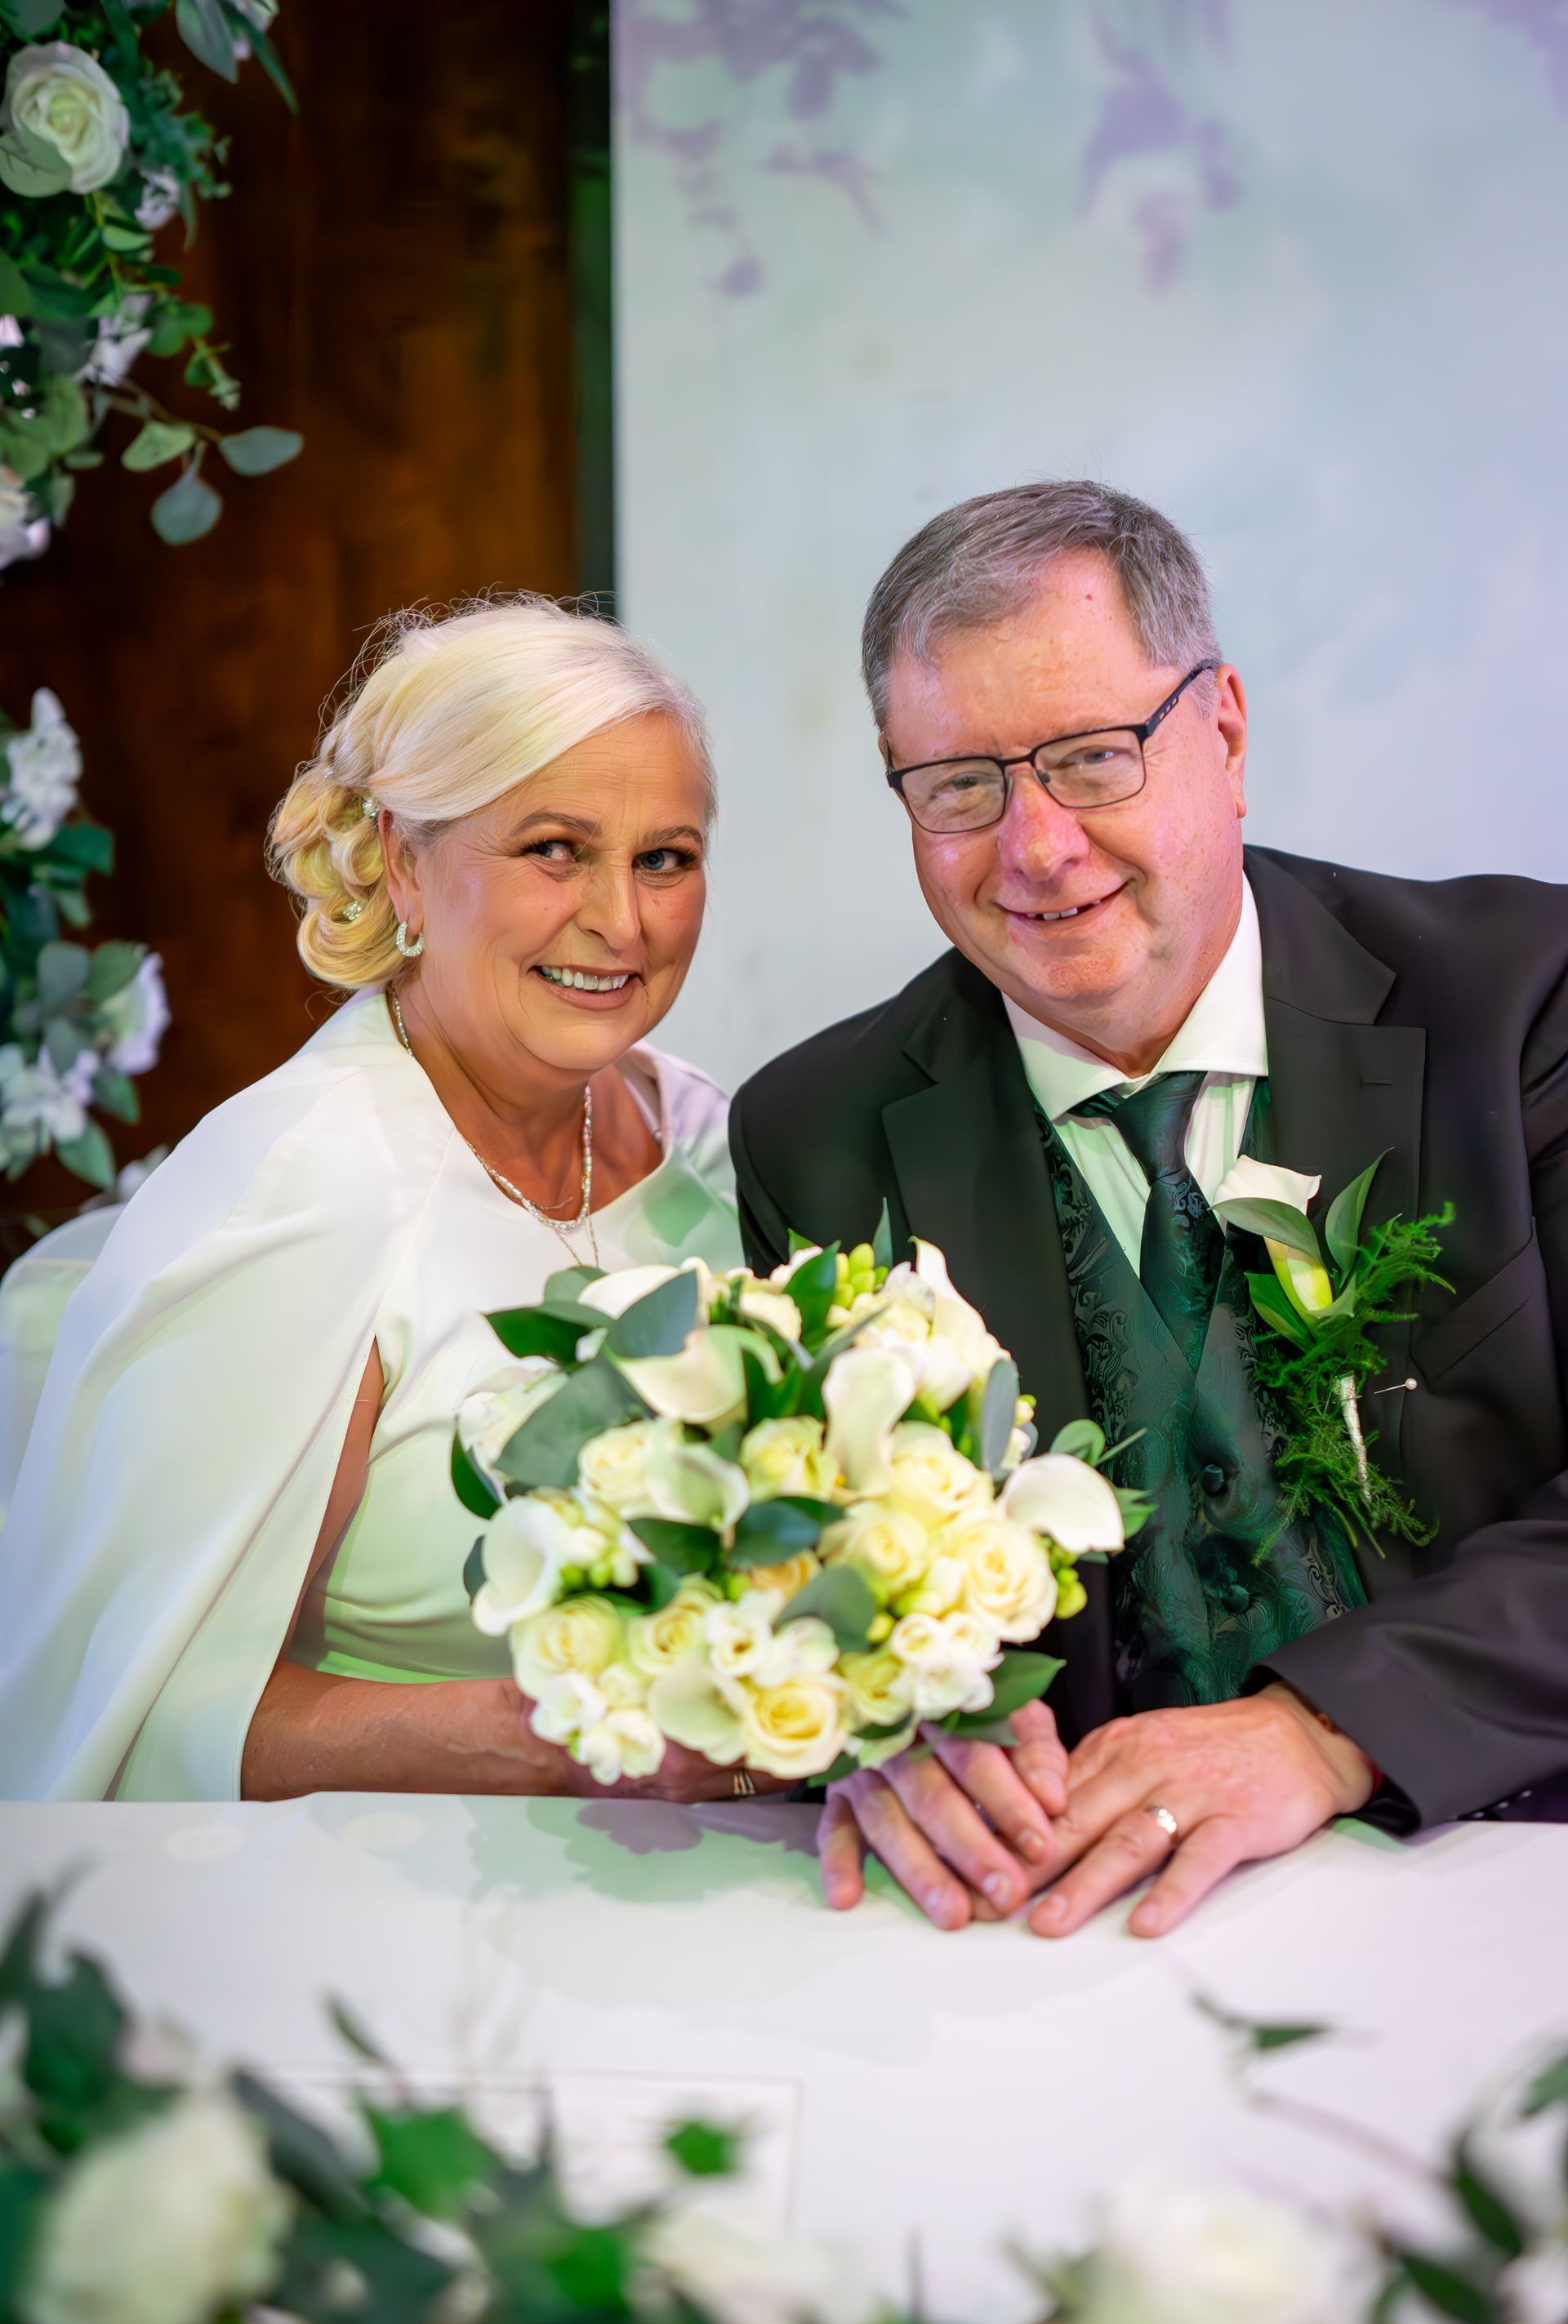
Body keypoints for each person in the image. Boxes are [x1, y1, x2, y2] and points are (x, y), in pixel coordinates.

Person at [730, 479, 1568, 1939]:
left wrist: (1325, 1730)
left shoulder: (1527, 1003)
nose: (1035, 848)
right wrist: (879, 1724)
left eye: (1094, 758)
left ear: (1226, 729)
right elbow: (831, 1581)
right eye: (961, 785)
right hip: (1066, 1933)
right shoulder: (817, 1137)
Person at [0, 597, 755, 1805]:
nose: (623, 919)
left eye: (664, 857)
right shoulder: (301, 1188)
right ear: (406, 862)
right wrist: (552, 1737)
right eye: (555, 848)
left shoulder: (713, 1141)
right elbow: (126, 1719)